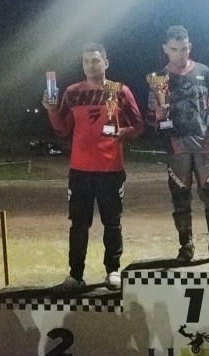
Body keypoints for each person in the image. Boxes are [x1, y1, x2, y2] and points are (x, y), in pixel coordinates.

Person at [42, 42, 143, 291]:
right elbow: (63, 129)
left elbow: (138, 125)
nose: (91, 65)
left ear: (106, 63)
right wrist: (52, 111)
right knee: (78, 225)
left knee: (112, 223)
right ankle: (75, 276)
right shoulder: (72, 92)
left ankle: (113, 271)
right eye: (86, 61)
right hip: (80, 170)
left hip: (111, 170)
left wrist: (124, 132)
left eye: (96, 61)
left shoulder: (120, 91)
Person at [146, 25, 209, 264]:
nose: (180, 54)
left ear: (190, 46)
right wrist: (157, 114)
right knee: (180, 200)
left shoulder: (204, 71)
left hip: (204, 146)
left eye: (184, 49)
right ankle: (186, 246)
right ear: (165, 49)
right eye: (174, 49)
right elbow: (149, 117)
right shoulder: (158, 78)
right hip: (176, 147)